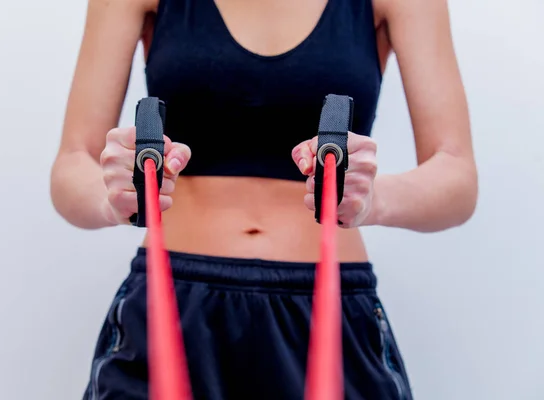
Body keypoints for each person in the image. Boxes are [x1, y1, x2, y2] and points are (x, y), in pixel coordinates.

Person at [50, 0, 477, 397]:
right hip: (170, 309)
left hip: (331, 311)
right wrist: (115, 199)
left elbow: (456, 175)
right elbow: (72, 164)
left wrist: (374, 200)